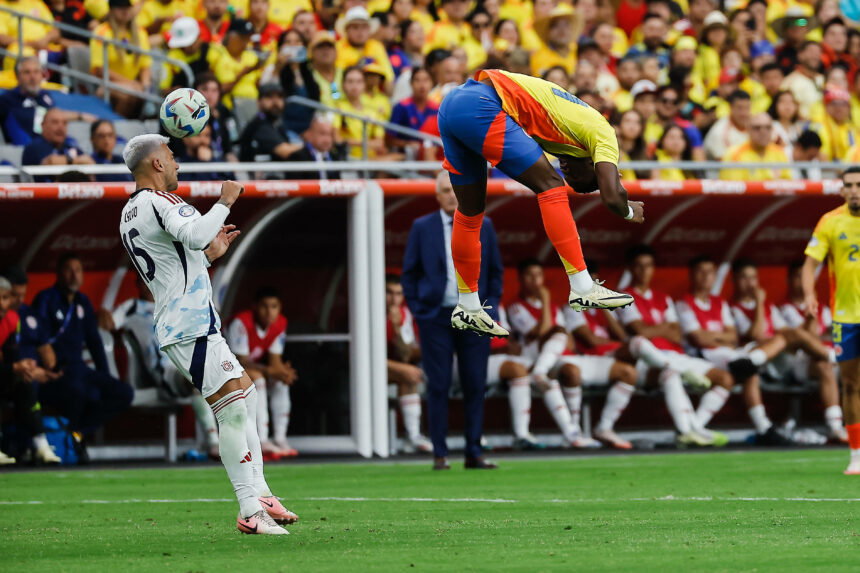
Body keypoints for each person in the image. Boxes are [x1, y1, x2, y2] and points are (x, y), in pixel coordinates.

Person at [119, 133, 297, 533]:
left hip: (188, 321)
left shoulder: (130, 210)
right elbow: (197, 234)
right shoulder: (159, 201)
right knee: (232, 408)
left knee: (246, 395)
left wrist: (209, 257)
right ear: (157, 164)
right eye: (171, 155)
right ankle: (250, 509)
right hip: (188, 323)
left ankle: (262, 492)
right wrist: (226, 199)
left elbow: (179, 258)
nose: (177, 162)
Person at [437, 69, 644, 339]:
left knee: (470, 210)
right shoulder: (604, 134)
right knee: (551, 185)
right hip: (480, 102)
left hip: (452, 105)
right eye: (578, 177)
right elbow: (612, 194)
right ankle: (583, 286)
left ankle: (467, 305)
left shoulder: (568, 136)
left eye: (574, 179)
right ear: (596, 166)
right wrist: (629, 211)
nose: (567, 170)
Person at [401, 171, 503, 470]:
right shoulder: (422, 227)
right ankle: (440, 453)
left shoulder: (485, 225)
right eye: (444, 190)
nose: (450, 194)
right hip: (436, 317)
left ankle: (474, 452)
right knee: (439, 384)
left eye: (454, 188)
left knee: (475, 383)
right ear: (437, 195)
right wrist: (421, 310)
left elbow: (495, 272)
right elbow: (410, 273)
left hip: (475, 316)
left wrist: (490, 306)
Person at [675, 256, 793, 446]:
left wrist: (713, 335)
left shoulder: (719, 303)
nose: (706, 277)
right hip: (700, 357)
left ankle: (691, 429)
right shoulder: (684, 303)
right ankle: (764, 428)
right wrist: (720, 336)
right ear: (692, 275)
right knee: (746, 370)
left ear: (715, 276)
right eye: (701, 272)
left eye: (710, 272)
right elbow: (698, 339)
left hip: (726, 355)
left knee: (742, 372)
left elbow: (733, 337)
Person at [619, 245, 734, 436]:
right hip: (646, 361)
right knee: (670, 374)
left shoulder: (663, 298)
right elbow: (640, 332)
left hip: (676, 355)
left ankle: (695, 426)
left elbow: (677, 335)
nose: (644, 271)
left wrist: (654, 330)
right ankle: (687, 431)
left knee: (725, 379)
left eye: (648, 265)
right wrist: (663, 328)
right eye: (639, 266)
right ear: (630, 268)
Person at [105, 276, 220, 458]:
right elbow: (108, 323)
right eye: (143, 280)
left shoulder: (172, 306)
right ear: (138, 284)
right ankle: (214, 442)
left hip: (186, 363)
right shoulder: (132, 307)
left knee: (225, 375)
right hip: (164, 371)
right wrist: (100, 313)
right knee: (197, 378)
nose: (149, 285)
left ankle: (241, 441)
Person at [32, 254, 134, 445]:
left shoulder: (83, 302)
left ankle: (76, 433)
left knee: (123, 393)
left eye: (78, 270)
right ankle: (69, 441)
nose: (74, 275)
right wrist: (50, 369)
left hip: (79, 369)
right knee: (79, 392)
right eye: (69, 270)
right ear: (59, 273)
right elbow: (39, 340)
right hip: (57, 372)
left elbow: (95, 342)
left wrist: (105, 376)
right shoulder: (46, 299)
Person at [507, 259, 604, 449]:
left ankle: (572, 434)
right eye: (529, 275)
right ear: (520, 278)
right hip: (528, 356)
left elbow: (569, 340)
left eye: (538, 275)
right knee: (557, 335)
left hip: (548, 358)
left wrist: (554, 324)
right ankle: (539, 372)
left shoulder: (554, 308)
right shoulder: (516, 306)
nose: (535, 280)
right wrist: (545, 302)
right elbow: (540, 333)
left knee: (553, 380)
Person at [802, 167, 860, 472]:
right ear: (842, 190)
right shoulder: (831, 221)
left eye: (859, 185)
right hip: (846, 316)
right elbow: (810, 264)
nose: (854, 190)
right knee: (851, 384)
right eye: (849, 185)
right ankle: (856, 455)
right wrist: (810, 293)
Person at [226, 287, 298, 460]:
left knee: (281, 382)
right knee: (258, 379)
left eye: (274, 306)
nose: (269, 312)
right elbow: (240, 361)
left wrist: (283, 372)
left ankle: (280, 438)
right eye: (264, 306)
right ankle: (262, 440)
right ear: (255, 307)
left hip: (249, 369)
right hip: (226, 369)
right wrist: (273, 371)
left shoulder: (280, 323)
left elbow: (274, 361)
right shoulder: (242, 323)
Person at [780, 260, 845, 443]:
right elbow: (805, 339)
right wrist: (812, 320)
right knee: (824, 363)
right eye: (798, 277)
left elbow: (834, 335)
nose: (802, 282)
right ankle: (835, 427)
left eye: (806, 277)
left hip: (830, 357)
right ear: (789, 280)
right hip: (798, 363)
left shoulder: (825, 309)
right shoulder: (784, 309)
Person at [0, 276, 61, 464]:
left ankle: (40, 445)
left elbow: (9, 355)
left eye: (5, 298)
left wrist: (24, 367)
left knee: (24, 382)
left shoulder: (12, 319)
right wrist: (13, 367)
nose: (2, 304)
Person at [384, 274, 432, 453]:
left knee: (409, 375)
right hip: (361, 366)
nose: (394, 299)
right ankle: (412, 435)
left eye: (398, 294)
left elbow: (404, 355)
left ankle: (412, 436)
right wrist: (398, 366)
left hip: (388, 367)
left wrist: (396, 328)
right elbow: (364, 354)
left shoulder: (404, 314)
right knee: (408, 372)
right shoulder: (367, 310)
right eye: (389, 293)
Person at [0, 57, 93, 145]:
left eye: (36, 72)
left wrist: (80, 116)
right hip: (23, 151)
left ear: (42, 75)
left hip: (48, 146)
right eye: (27, 72)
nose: (33, 77)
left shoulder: (44, 96)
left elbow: (51, 116)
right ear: (17, 76)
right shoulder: (7, 99)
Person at [90, 0, 152, 118]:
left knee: (142, 93)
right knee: (128, 93)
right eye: (120, 7)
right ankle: (117, 124)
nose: (125, 11)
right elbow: (99, 69)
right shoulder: (102, 32)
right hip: (106, 84)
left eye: (128, 7)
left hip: (134, 85)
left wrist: (145, 85)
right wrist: (131, 84)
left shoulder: (140, 32)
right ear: (111, 9)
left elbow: (145, 65)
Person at [22, 109, 93, 181]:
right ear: (43, 125)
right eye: (55, 122)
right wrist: (75, 161)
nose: (61, 127)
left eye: (64, 123)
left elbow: (89, 162)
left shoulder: (70, 143)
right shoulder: (34, 147)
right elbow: (51, 162)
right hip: (43, 191)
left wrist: (67, 161)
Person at [238, 83, 301, 162]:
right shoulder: (259, 125)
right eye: (269, 97)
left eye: (280, 97)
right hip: (261, 172)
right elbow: (285, 151)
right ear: (259, 102)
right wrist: (310, 147)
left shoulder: (277, 123)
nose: (275, 102)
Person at [720, 113, 791, 181]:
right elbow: (735, 189)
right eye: (757, 128)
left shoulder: (779, 153)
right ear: (747, 129)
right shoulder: (734, 154)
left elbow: (788, 184)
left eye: (768, 127)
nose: (763, 132)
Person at [387, 67, 438, 153]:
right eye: (417, 80)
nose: (422, 85)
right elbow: (388, 140)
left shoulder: (437, 109)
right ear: (411, 83)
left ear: (432, 83)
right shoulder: (401, 107)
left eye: (426, 80)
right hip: (406, 157)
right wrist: (406, 144)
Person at [284, 114, 345, 179]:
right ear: (310, 134)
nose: (327, 140)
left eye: (330, 134)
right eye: (322, 133)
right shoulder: (297, 157)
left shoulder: (334, 157)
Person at [703, 89, 751, 162]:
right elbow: (723, 163)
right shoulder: (719, 131)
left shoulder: (756, 126)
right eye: (739, 108)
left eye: (747, 108)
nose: (744, 113)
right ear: (730, 107)